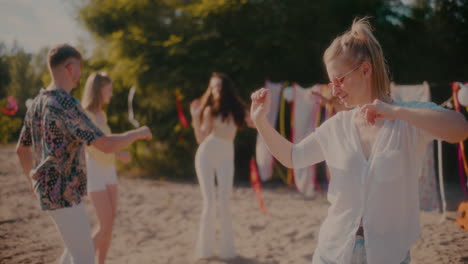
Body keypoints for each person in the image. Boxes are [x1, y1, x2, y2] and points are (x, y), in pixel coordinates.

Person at [250, 18, 468, 264]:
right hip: (332, 252)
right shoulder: (337, 126)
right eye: (331, 83)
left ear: (365, 69)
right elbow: (293, 157)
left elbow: (460, 129)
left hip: (389, 255)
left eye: (339, 80)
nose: (335, 90)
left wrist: (395, 112)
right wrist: (260, 121)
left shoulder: (408, 119)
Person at [16, 44, 152, 264]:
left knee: (73, 252)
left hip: (48, 192)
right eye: (79, 67)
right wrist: (137, 133)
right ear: (70, 68)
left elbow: (21, 150)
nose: (80, 73)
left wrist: (31, 181)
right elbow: (105, 144)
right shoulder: (66, 103)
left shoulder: (38, 103)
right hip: (65, 194)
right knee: (84, 257)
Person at [190, 72, 254, 260]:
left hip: (226, 155)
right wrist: (195, 117)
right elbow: (201, 138)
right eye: (213, 87)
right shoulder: (210, 110)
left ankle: (227, 253)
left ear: (226, 88)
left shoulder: (238, 109)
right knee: (209, 203)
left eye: (218, 86)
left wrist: (261, 111)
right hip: (206, 154)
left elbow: (255, 123)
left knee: (224, 203)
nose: (215, 90)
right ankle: (205, 252)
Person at [81, 72, 132, 264]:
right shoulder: (85, 115)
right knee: (105, 223)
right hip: (95, 172)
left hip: (110, 172)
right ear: (97, 90)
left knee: (110, 225)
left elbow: (107, 144)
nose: (111, 94)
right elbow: (95, 149)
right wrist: (119, 153)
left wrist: (118, 154)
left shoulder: (102, 113)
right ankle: (78, 260)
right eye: (108, 90)